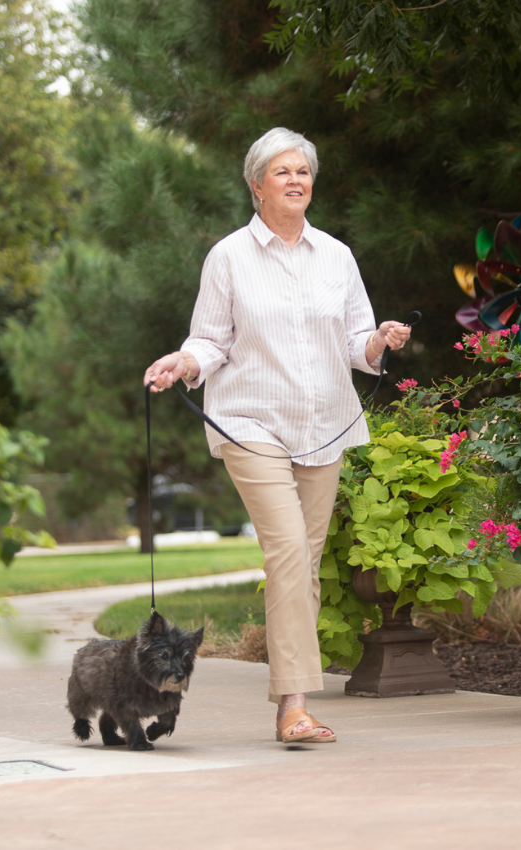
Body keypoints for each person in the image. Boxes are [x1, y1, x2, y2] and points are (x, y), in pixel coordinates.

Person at [143, 127, 411, 744]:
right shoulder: (229, 256)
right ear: (257, 185)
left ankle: (292, 697)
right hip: (249, 420)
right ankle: (294, 704)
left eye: (304, 171)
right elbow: (209, 340)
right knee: (288, 548)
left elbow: (354, 342)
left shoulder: (337, 257)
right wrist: (182, 364)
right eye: (283, 171)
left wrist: (379, 341)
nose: (296, 180)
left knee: (305, 563)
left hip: (324, 423)